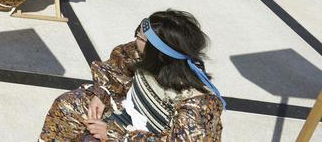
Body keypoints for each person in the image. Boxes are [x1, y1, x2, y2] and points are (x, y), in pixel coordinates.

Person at [40, 10, 225, 141]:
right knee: (68, 105)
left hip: (140, 136)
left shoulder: (198, 104)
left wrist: (115, 135)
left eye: (141, 38)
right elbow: (117, 68)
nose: (136, 39)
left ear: (160, 54)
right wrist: (103, 92)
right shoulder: (144, 53)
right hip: (124, 113)